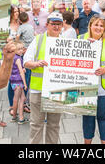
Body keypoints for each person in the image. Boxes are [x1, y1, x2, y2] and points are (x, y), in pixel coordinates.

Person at [23, 12, 64, 144]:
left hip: (57, 91)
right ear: (47, 25)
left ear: (62, 26)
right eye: (53, 24)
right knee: (36, 125)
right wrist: (36, 64)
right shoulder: (39, 39)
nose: (56, 27)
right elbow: (26, 61)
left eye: (59, 24)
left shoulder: (67, 43)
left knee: (54, 125)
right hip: (38, 90)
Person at [78, 15, 105, 144]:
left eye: (101, 26)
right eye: (96, 24)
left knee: (104, 117)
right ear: (90, 25)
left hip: (104, 89)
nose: (99, 28)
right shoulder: (79, 40)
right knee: (88, 117)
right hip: (86, 87)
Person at [10, 41, 28, 124]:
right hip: (19, 82)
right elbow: (21, 72)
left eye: (22, 48)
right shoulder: (18, 59)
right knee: (17, 100)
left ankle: (16, 117)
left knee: (22, 98)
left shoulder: (13, 57)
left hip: (13, 81)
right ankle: (19, 118)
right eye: (19, 49)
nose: (21, 51)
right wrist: (25, 83)